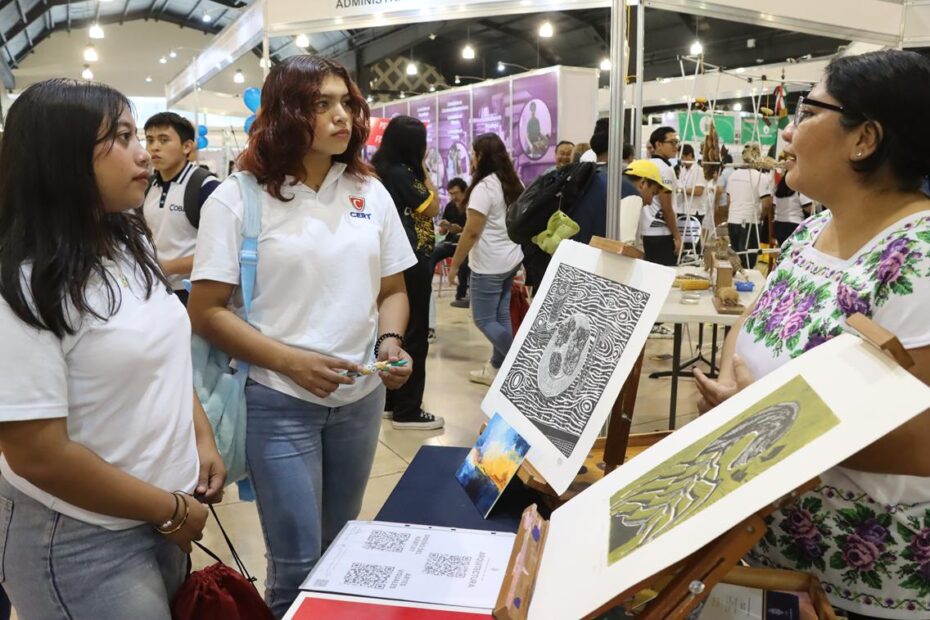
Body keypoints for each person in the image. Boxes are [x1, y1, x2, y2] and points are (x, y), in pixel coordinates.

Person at [694, 49, 930, 620]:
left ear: (864, 139)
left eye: (806, 111)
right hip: (766, 551)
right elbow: (752, 320)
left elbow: (919, 437)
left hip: (862, 582)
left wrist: (760, 419)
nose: (788, 130)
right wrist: (734, 394)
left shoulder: (919, 258)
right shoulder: (813, 230)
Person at [187, 56, 415, 617]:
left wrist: (389, 342)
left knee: (340, 547)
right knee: (296, 563)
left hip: (361, 399)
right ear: (287, 112)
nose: (343, 117)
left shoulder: (369, 190)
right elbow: (206, 311)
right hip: (278, 401)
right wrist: (291, 362)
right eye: (322, 104)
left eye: (347, 103)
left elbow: (392, 289)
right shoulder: (236, 198)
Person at [0, 79, 224, 618]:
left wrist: (199, 436)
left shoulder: (128, 239)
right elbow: (37, 453)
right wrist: (169, 509)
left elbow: (164, 355)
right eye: (122, 138)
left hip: (160, 514)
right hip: (80, 536)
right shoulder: (24, 284)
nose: (143, 153)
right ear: (63, 156)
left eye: (138, 135)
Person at [371, 115, 444, 431]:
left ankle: (392, 400)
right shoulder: (402, 173)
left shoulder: (382, 170)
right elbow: (432, 206)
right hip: (411, 261)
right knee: (414, 333)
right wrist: (424, 169)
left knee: (395, 332)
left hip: (397, 259)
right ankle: (408, 408)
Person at [449, 133, 524, 386]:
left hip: (490, 264)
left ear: (481, 156)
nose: (471, 158)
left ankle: (520, 364)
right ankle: (496, 368)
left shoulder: (484, 188)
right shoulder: (512, 182)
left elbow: (471, 232)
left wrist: (455, 265)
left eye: (473, 154)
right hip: (511, 259)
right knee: (500, 315)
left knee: (483, 320)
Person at [142, 112, 220, 305]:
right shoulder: (148, 186)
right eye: (150, 140)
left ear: (187, 146)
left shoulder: (206, 186)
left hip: (192, 292)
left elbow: (220, 250)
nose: (154, 147)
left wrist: (167, 267)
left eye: (164, 140)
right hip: (154, 288)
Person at [725, 144, 773, 269]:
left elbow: (729, 201)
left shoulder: (733, 176)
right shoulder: (760, 177)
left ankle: (733, 279)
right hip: (750, 222)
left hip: (733, 220)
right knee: (748, 260)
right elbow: (766, 204)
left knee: (735, 259)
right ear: (758, 157)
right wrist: (760, 217)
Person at [640, 126, 682, 266]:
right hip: (661, 232)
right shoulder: (664, 169)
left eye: (677, 142)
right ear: (658, 144)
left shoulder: (647, 164)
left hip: (648, 231)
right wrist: (677, 236)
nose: (676, 146)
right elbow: (666, 207)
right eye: (672, 142)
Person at [430, 177, 470, 307]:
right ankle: (426, 288)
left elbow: (473, 231)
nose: (453, 197)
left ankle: (461, 296)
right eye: (451, 193)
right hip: (450, 242)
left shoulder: (471, 206)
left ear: (464, 192)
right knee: (432, 253)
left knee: (464, 261)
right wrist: (444, 226)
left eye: (456, 193)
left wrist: (461, 230)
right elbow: (442, 233)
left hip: (466, 244)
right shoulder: (450, 206)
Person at [772, 175, 812, 246]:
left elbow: (774, 206)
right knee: (796, 250)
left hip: (778, 224)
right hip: (794, 224)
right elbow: (808, 208)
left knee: (784, 249)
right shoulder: (799, 187)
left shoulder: (778, 188)